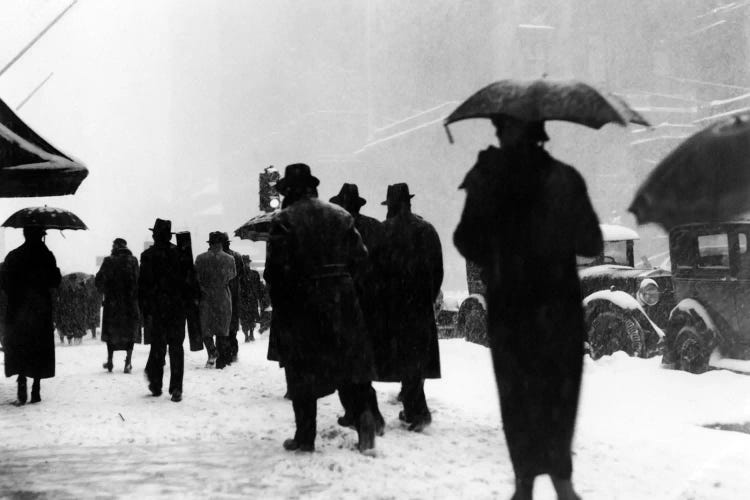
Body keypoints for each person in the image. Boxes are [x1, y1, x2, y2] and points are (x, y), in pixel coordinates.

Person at [453, 114, 603, 500]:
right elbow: (591, 242)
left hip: (511, 309)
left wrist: (501, 251)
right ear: (541, 135)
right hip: (559, 309)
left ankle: (523, 484)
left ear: (502, 135)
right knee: (558, 393)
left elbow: (465, 239)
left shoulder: (488, 179)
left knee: (517, 395)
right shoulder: (565, 178)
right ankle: (563, 483)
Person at [265, 163, 377, 453]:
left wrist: (283, 309)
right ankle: (364, 420)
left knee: (302, 371)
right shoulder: (340, 216)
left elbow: (275, 273)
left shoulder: (284, 220)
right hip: (342, 300)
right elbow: (362, 261)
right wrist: (350, 294)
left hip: (303, 303)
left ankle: (305, 436)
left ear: (289, 191)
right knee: (349, 365)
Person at [380, 183, 443, 432]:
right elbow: (437, 270)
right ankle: (412, 406)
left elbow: (377, 270)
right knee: (416, 356)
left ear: (391, 205)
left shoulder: (385, 231)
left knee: (404, 357)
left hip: (394, 305)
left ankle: (418, 411)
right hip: (419, 304)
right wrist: (426, 296)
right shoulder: (426, 229)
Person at [329, 182, 386, 435]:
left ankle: (361, 414)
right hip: (373, 304)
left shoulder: (336, 229)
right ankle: (367, 414)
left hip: (345, 303)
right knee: (363, 363)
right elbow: (387, 264)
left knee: (343, 364)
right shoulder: (375, 227)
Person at [1, 226, 62, 405]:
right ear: (41, 236)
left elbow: (4, 283)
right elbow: (55, 281)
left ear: (25, 235)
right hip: (40, 309)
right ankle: (36, 387)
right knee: (39, 346)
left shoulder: (14, 256)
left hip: (18, 308)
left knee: (20, 344)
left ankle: (21, 379)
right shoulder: (47, 256)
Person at [139, 218, 191, 402]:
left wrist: (145, 310)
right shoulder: (181, 254)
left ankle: (155, 383)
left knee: (158, 347)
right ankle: (176, 388)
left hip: (157, 309)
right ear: (170, 236)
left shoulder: (147, 256)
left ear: (154, 235)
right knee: (176, 347)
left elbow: (143, 287)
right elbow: (188, 282)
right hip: (177, 309)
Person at [95, 238, 140, 374]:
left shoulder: (109, 261)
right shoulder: (133, 261)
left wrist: (105, 290)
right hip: (130, 304)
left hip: (113, 304)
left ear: (115, 247)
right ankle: (128, 361)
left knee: (112, 332)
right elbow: (139, 280)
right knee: (129, 332)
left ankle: (110, 361)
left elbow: (99, 280)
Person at [195, 231, 236, 369]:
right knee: (222, 329)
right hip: (223, 296)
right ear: (221, 243)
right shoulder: (229, 259)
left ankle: (212, 350)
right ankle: (222, 361)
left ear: (210, 243)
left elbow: (197, 277)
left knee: (205, 327)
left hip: (206, 296)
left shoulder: (200, 259)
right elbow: (232, 275)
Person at [220, 233, 244, 362]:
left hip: (220, 294)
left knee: (222, 324)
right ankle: (233, 351)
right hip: (234, 294)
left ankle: (224, 351)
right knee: (232, 325)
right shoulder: (237, 256)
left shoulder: (218, 257)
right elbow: (241, 275)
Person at [239, 254, 262, 342]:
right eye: (244, 263)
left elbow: (258, 287)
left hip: (250, 299)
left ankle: (251, 333)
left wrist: (258, 297)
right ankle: (246, 335)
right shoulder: (240, 275)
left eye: (247, 263)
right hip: (245, 299)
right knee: (245, 318)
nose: (246, 264)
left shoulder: (254, 274)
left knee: (250, 317)